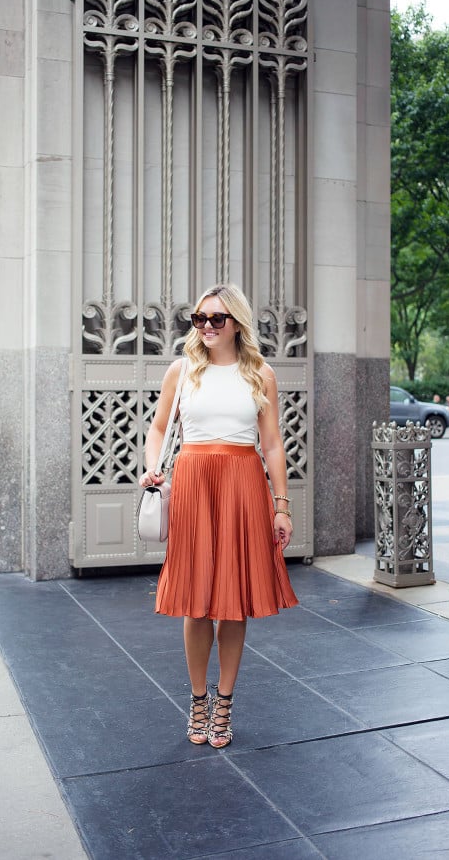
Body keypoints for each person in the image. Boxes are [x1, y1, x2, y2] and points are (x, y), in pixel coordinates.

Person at [139, 283, 298, 748]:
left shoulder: (260, 373)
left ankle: (224, 702)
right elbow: (158, 427)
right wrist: (153, 467)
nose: (206, 326)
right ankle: (198, 699)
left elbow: (271, 445)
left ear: (237, 324)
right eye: (199, 319)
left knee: (233, 597)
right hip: (192, 482)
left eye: (216, 319)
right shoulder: (182, 369)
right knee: (195, 598)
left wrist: (281, 506)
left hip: (243, 483)